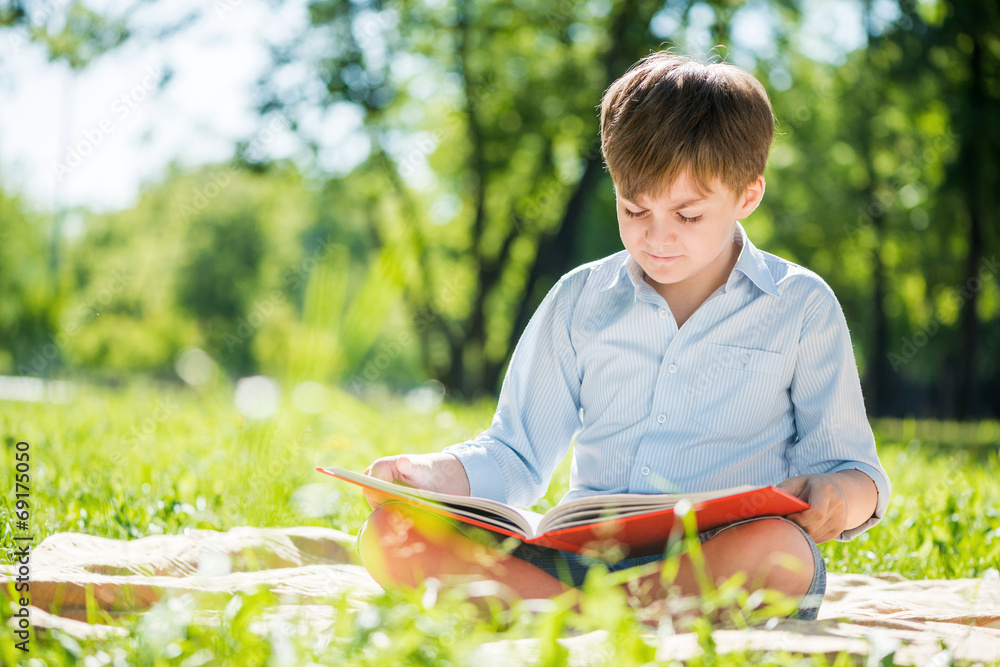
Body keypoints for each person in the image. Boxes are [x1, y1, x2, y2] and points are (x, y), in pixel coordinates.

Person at [356, 51, 890, 622]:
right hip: (581, 556)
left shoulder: (800, 305)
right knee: (389, 532)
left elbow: (854, 469)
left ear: (747, 196)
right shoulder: (579, 299)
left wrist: (840, 496)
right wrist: (431, 476)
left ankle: (562, 614)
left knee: (781, 552)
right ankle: (613, 610)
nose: (657, 237)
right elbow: (517, 452)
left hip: (718, 554)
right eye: (635, 208)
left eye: (687, 216)